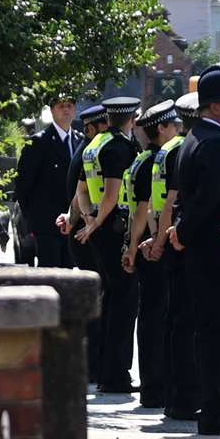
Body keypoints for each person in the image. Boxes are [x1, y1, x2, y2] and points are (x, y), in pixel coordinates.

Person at [170, 68, 220, 435]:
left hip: (203, 253)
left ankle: (212, 404)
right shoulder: (217, 143)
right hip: (216, 254)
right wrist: (183, 231)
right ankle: (216, 409)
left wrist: (182, 231)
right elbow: (210, 199)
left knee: (211, 332)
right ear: (215, 107)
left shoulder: (196, 136)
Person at [76, 95, 141, 393]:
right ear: (131, 119)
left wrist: (89, 219)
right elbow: (113, 194)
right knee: (123, 305)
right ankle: (116, 375)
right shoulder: (120, 147)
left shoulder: (94, 146)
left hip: (101, 232)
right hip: (115, 231)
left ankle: (106, 372)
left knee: (110, 301)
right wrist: (96, 222)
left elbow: (82, 191)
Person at [142, 91, 200, 421]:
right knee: (185, 324)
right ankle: (183, 396)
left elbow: (155, 203)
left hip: (164, 236)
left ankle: (170, 395)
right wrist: (161, 240)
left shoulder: (164, 152)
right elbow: (170, 201)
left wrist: (154, 238)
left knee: (171, 321)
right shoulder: (182, 150)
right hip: (180, 242)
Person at [124, 99, 181, 410]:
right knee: (156, 319)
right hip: (152, 245)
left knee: (150, 318)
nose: (177, 131)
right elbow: (144, 209)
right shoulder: (156, 161)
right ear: (162, 128)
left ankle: (152, 388)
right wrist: (137, 246)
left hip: (145, 242)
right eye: (173, 126)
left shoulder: (142, 161)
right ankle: (155, 388)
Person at [58, 103, 108, 384]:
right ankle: (93, 366)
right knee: (97, 303)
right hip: (86, 235)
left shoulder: (85, 151)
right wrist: (89, 222)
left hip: (80, 231)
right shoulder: (92, 152)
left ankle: (93, 366)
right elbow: (82, 192)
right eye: (103, 125)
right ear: (91, 128)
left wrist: (71, 216)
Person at [16, 93, 81, 268]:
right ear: (52, 111)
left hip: (73, 222)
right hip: (47, 225)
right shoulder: (39, 142)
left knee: (70, 278)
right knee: (50, 274)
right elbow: (23, 187)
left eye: (69, 106)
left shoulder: (80, 142)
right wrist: (33, 222)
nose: (66, 110)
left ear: (75, 110)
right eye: (61, 106)